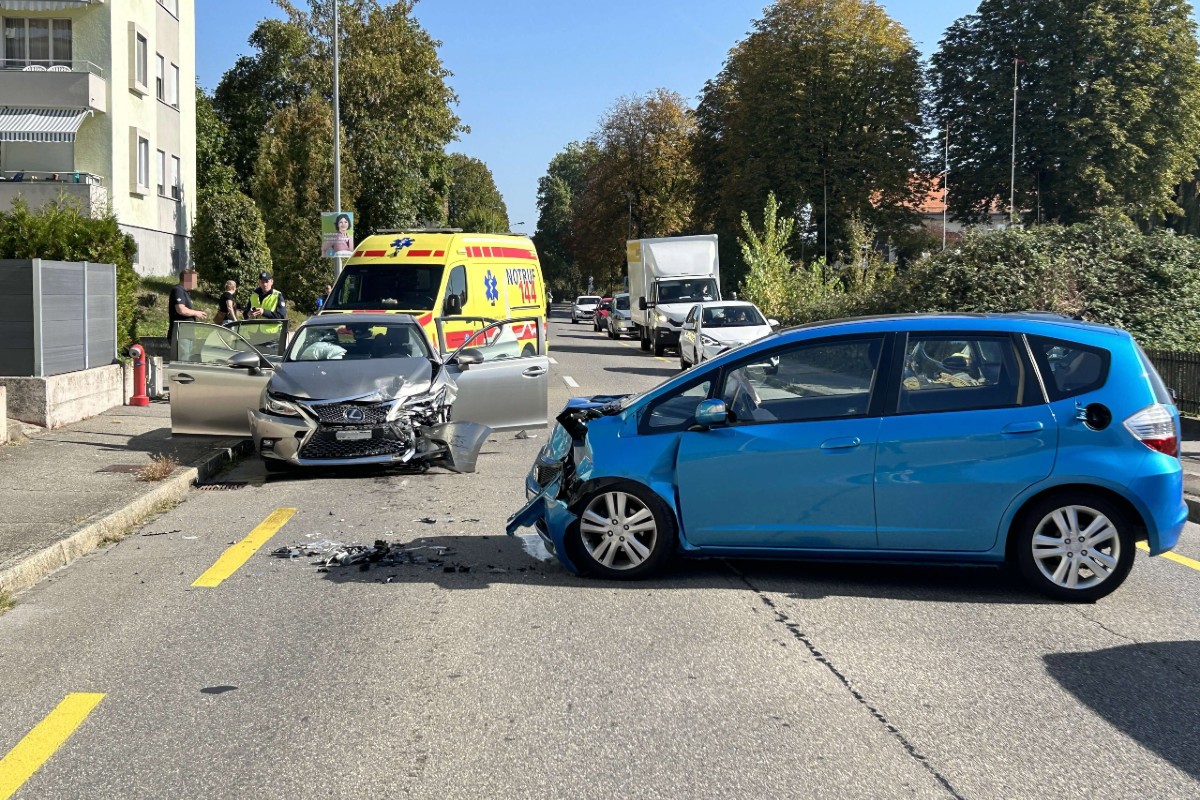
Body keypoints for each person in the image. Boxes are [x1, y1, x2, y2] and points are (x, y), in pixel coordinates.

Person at [168, 270, 207, 361]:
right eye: (194, 280)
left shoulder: (186, 292)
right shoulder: (178, 290)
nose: (196, 282)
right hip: (181, 334)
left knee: (186, 360)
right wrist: (196, 313)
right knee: (183, 360)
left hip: (187, 334)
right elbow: (181, 309)